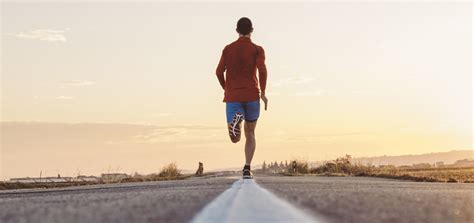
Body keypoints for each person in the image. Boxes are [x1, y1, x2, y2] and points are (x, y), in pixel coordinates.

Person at [215, 17, 268, 179]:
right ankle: (247, 168)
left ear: (237, 30)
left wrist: (227, 89)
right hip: (252, 95)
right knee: (250, 133)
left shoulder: (228, 49)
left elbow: (218, 72)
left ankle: (236, 120)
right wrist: (263, 93)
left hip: (233, 97)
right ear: (252, 30)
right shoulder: (257, 49)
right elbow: (262, 70)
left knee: (235, 139)